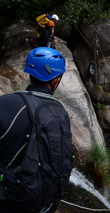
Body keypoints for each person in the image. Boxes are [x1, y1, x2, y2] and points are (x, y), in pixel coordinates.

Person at [0, 47, 70, 213]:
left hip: (7, 201)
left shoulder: (6, 104)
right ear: (56, 81)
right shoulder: (60, 111)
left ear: (29, 73)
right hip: (43, 201)